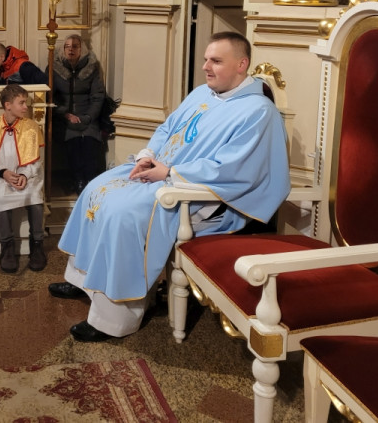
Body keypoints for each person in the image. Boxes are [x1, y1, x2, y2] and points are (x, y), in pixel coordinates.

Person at [49, 32, 290, 342]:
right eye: (206, 59)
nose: (205, 67)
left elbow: (234, 168)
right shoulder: (203, 93)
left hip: (199, 194)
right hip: (162, 170)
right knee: (97, 189)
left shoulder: (258, 112)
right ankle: (83, 281)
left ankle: (114, 316)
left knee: (123, 214)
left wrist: (170, 172)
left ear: (241, 65)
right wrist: (147, 155)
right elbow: (167, 129)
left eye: (216, 61)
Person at [0, 84, 46, 274]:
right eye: (22, 103)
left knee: (35, 199)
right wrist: (4, 173)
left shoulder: (31, 127)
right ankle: (7, 246)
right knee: (1, 198)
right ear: (8, 105)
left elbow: (37, 160)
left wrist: (24, 175)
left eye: (26, 103)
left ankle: (37, 244)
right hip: (1, 177)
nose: (26, 107)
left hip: (27, 176)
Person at [51, 34, 107, 194]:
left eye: (75, 46)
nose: (71, 50)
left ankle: (90, 180)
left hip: (88, 116)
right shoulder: (54, 67)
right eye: (67, 46)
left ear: (82, 49)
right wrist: (65, 114)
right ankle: (78, 180)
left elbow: (98, 96)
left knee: (89, 142)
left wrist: (88, 117)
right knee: (74, 143)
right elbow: (51, 97)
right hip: (64, 117)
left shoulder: (91, 67)